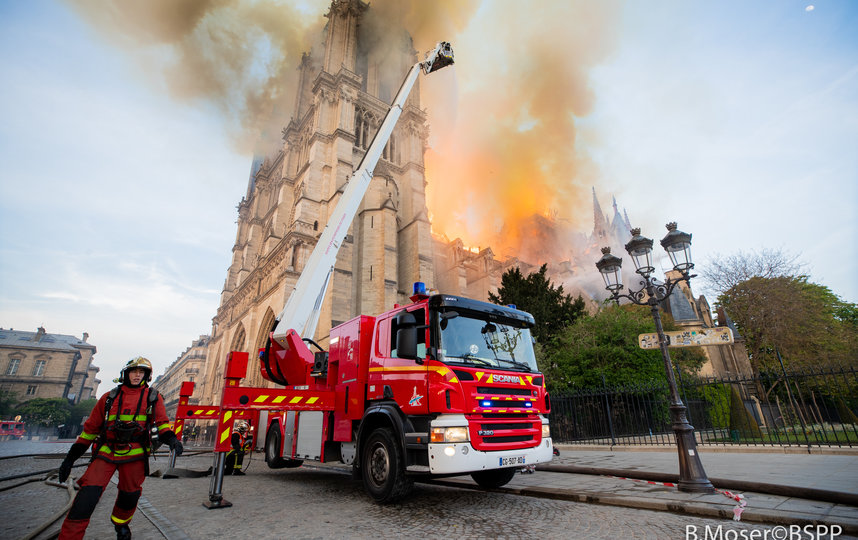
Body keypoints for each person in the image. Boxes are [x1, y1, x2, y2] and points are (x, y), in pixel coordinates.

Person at [57, 357, 183, 540]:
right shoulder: (109, 398)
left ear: (146, 376)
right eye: (134, 371)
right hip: (106, 453)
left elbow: (162, 424)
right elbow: (89, 432)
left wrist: (172, 440)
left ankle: (121, 524)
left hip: (135, 455)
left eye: (141, 372)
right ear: (126, 374)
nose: (137, 375)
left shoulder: (153, 398)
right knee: (86, 497)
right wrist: (69, 460)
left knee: (129, 495)